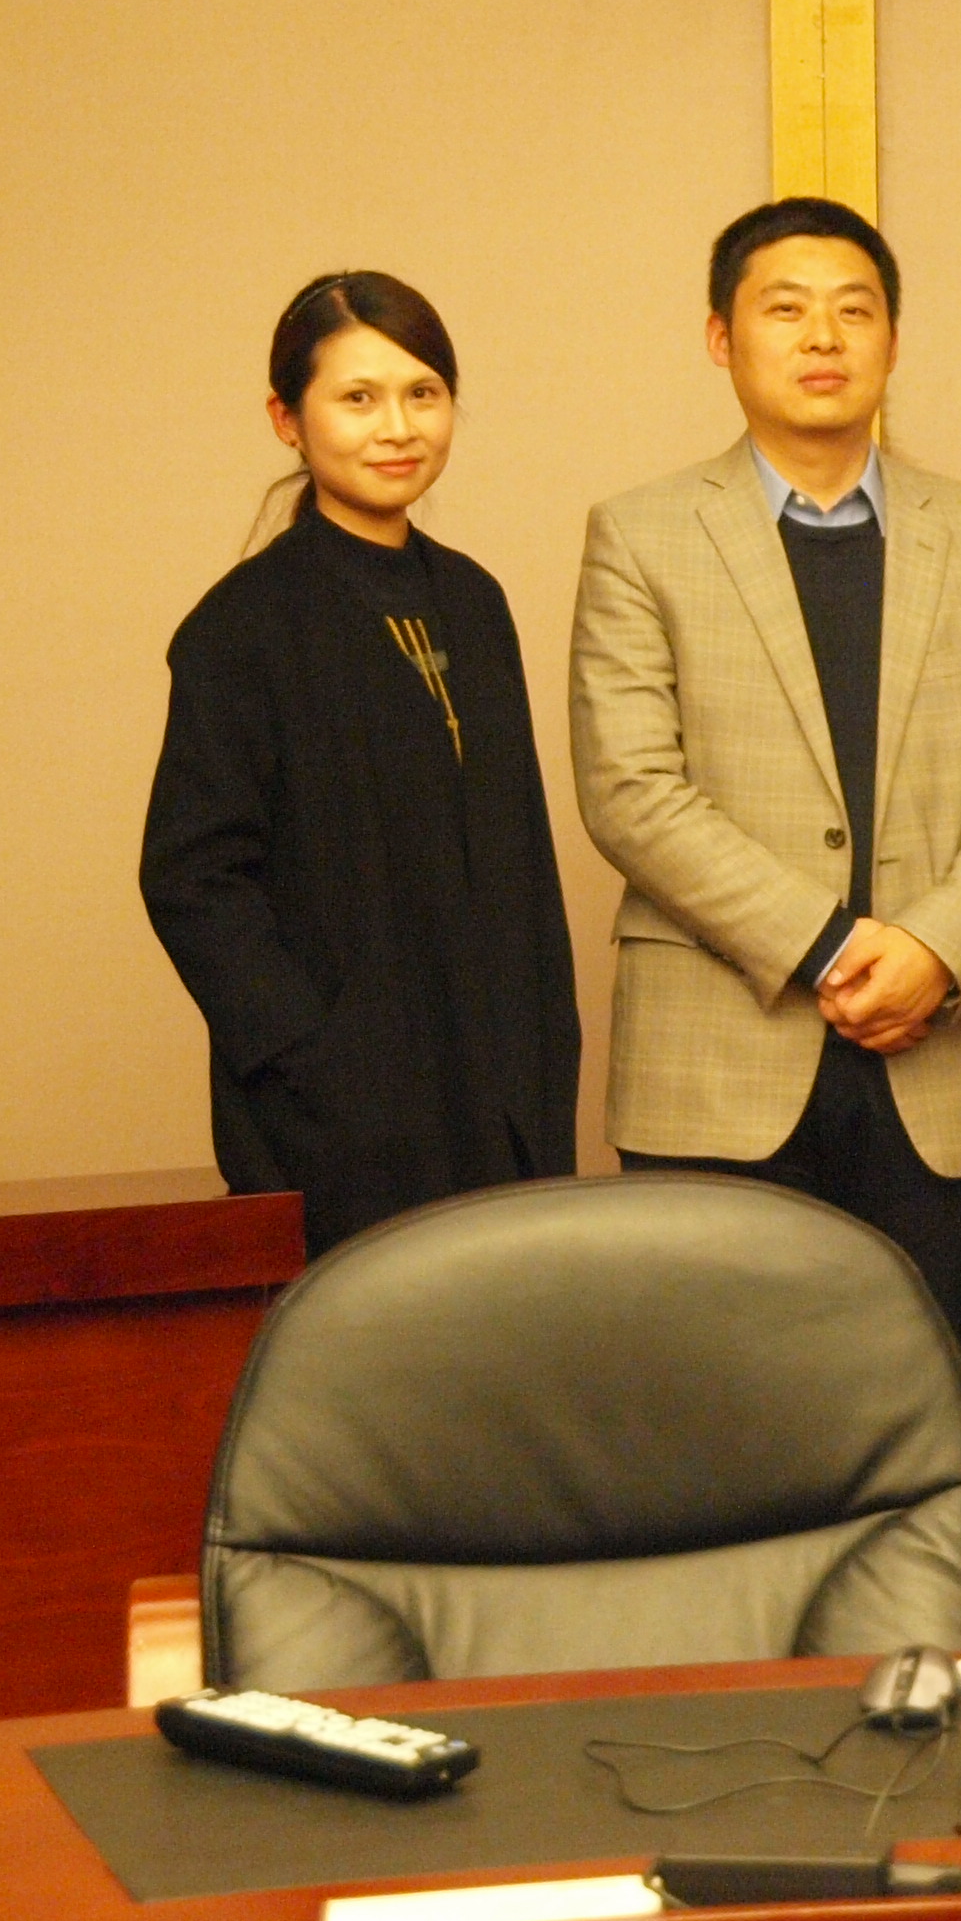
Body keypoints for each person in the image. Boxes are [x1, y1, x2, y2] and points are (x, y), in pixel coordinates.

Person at [571, 199, 961, 1388]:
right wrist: (832, 947)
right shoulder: (641, 534)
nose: (822, 337)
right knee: (716, 1421)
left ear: (893, 339)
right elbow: (631, 788)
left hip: (934, 1052)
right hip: (717, 1058)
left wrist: (935, 948)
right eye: (785, 309)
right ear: (721, 338)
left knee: (927, 1406)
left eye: (853, 310)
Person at [141, 272, 581, 1259]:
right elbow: (192, 880)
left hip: (504, 1109)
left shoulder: (475, 601)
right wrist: (319, 1062)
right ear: (286, 420)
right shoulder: (240, 626)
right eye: (357, 397)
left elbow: (521, 862)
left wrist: (545, 1066)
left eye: (423, 393)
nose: (397, 427)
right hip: (335, 1125)